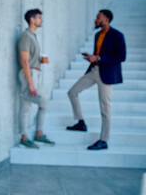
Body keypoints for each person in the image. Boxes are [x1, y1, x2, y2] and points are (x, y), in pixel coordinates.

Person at [66, 9, 126, 150]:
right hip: (94, 70)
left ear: (106, 20)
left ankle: (104, 140)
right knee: (72, 92)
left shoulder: (117, 35)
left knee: (105, 108)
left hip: (107, 75)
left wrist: (98, 58)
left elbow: (121, 57)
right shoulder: (98, 35)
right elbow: (99, 54)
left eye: (98, 18)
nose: (96, 20)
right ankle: (81, 122)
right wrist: (92, 57)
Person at [17, 9, 55, 149]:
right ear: (32, 19)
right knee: (26, 107)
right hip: (29, 74)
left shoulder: (33, 36)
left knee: (41, 104)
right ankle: (24, 138)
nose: (41, 20)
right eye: (39, 17)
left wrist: (39, 60)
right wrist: (31, 84)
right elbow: (25, 61)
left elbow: (30, 59)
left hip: (35, 73)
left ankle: (38, 134)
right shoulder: (26, 36)